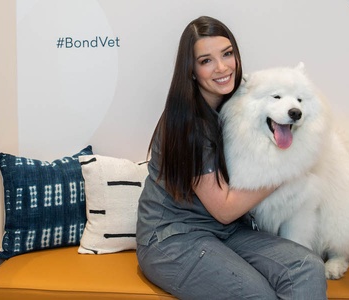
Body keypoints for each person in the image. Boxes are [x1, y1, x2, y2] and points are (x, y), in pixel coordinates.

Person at [136, 16, 327, 299]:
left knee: (306, 266)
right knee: (255, 294)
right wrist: (288, 168)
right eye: (206, 60)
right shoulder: (189, 123)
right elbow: (224, 209)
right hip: (173, 239)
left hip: (225, 232)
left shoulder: (239, 104)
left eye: (227, 54)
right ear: (191, 70)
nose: (222, 67)